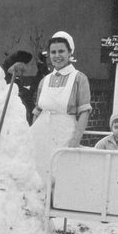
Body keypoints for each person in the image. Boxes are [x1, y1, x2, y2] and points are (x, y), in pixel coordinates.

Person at [30, 31, 92, 183]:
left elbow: (84, 112)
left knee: (60, 175)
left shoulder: (79, 78)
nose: (57, 55)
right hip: (41, 133)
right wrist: (31, 133)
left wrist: (75, 140)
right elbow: (37, 111)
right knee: (36, 173)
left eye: (61, 51)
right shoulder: (44, 80)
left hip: (64, 133)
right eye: (53, 52)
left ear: (70, 52)